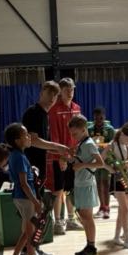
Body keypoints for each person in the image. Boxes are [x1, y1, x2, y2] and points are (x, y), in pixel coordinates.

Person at [21, 81, 71, 255]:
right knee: (32, 212)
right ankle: (27, 251)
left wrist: (60, 153)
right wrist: (58, 146)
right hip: (30, 169)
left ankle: (34, 247)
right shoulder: (34, 113)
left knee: (38, 212)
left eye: (55, 95)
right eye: (49, 94)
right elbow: (34, 141)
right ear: (41, 92)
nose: (52, 98)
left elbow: (44, 145)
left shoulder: (45, 115)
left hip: (39, 169)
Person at [3, 123, 44, 255]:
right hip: (26, 199)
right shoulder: (20, 157)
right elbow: (24, 183)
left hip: (19, 197)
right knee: (31, 234)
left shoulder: (15, 155)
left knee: (27, 231)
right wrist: (35, 202)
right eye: (25, 135)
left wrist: (31, 170)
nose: (29, 137)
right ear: (17, 140)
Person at [67, 114, 104, 255]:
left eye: (75, 134)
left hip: (87, 184)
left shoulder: (88, 144)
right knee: (84, 217)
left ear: (83, 129)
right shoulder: (82, 143)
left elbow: (100, 163)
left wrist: (83, 165)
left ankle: (92, 247)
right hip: (80, 184)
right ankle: (89, 245)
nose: (73, 137)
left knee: (87, 217)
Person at [48, 78, 82, 234]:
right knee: (58, 190)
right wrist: (61, 156)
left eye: (72, 89)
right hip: (59, 157)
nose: (70, 92)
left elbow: (80, 133)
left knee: (71, 189)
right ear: (60, 91)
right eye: (67, 90)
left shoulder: (77, 108)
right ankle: (58, 222)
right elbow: (54, 136)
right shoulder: (54, 110)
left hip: (74, 156)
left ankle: (71, 219)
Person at [105, 122, 128, 250]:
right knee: (125, 209)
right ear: (122, 134)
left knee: (124, 209)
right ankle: (127, 238)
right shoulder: (112, 145)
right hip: (118, 178)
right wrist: (111, 169)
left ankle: (117, 236)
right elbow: (100, 160)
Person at [88, 107, 116, 219]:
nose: (98, 120)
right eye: (96, 118)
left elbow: (112, 145)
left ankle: (107, 208)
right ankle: (101, 207)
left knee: (106, 183)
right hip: (94, 160)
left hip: (106, 160)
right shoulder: (90, 129)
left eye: (100, 118)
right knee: (98, 183)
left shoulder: (110, 129)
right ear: (93, 118)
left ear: (104, 117)